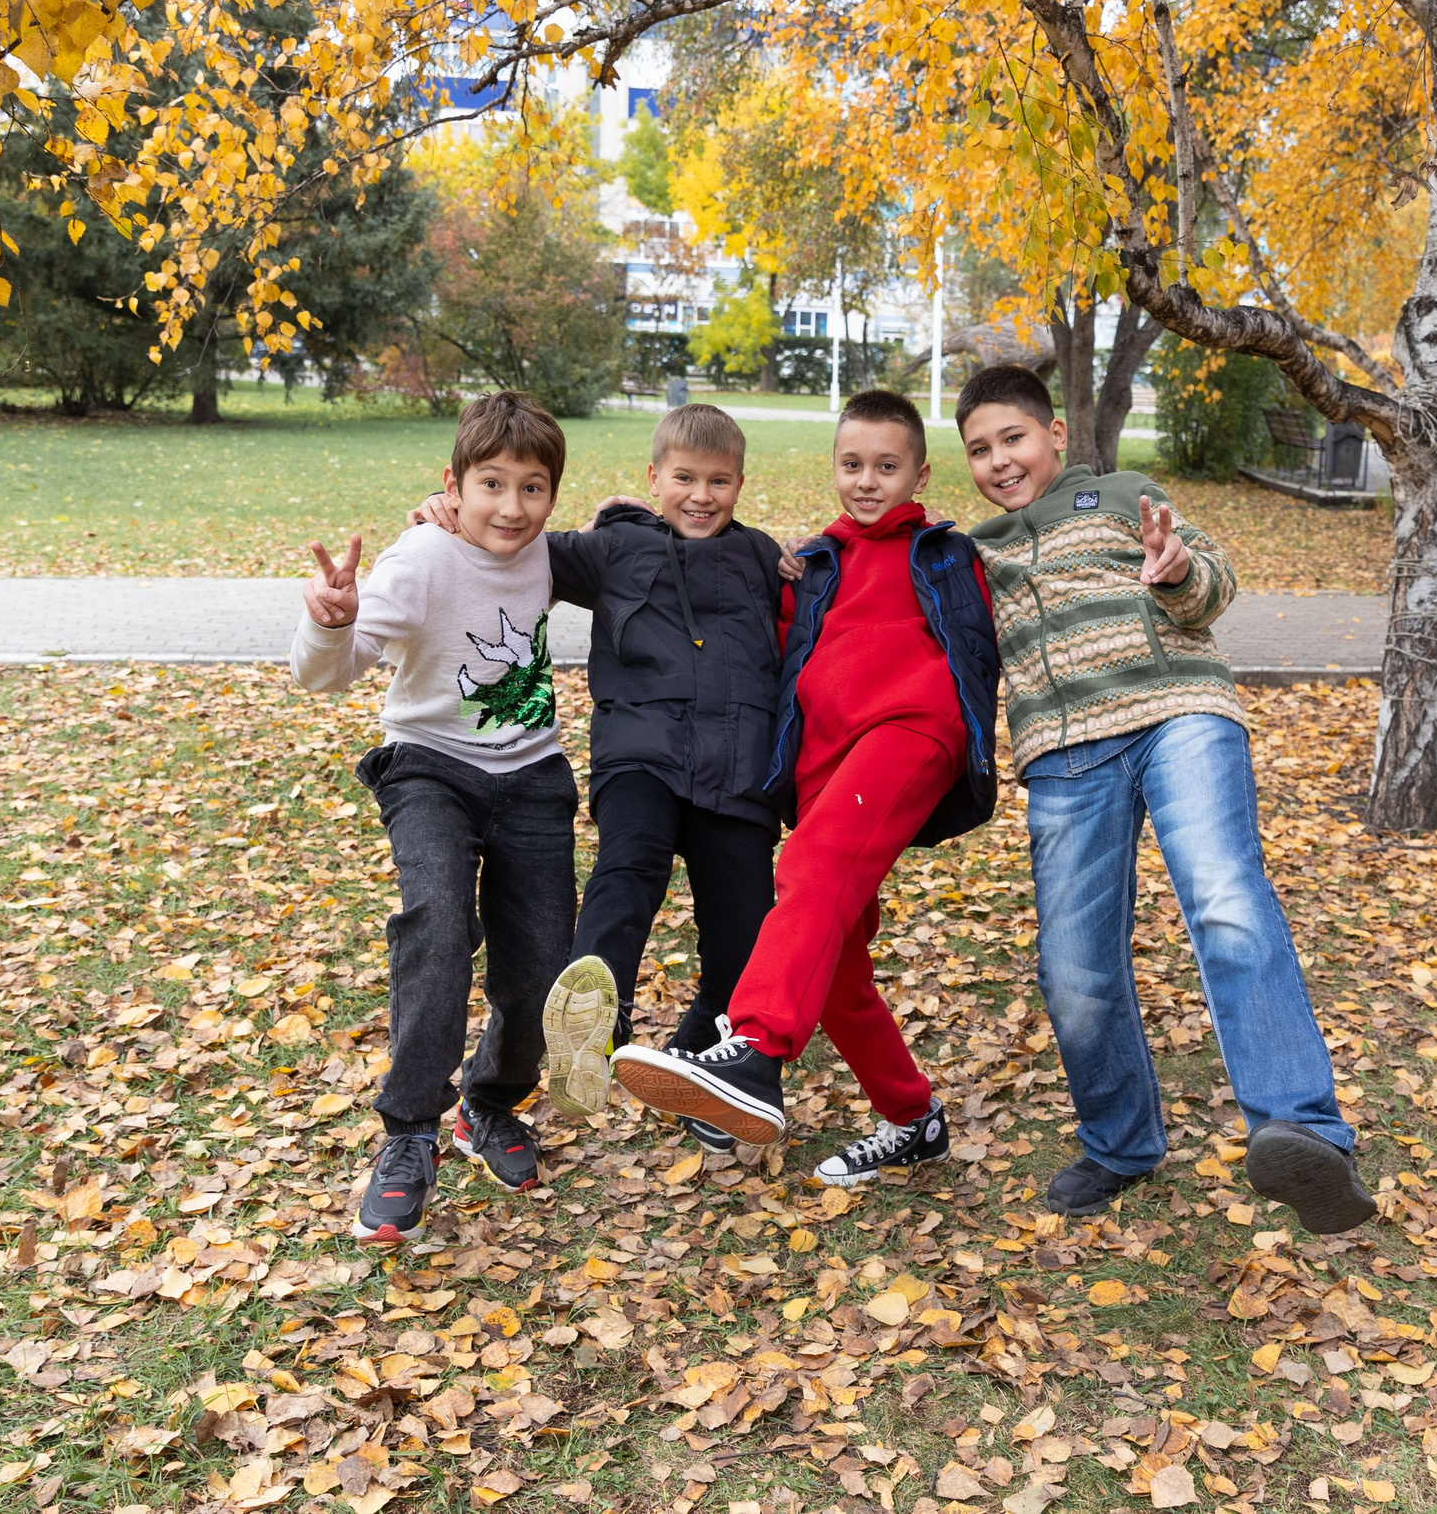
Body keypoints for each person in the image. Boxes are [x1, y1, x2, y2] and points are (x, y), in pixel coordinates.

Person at [955, 364, 1375, 1232]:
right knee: (1073, 967)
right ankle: (1120, 1143)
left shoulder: (1123, 496)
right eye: (980, 449)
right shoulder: (974, 552)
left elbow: (1214, 580)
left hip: (1178, 710)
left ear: (1055, 435)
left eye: (1013, 438)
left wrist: (1177, 567)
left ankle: (1305, 1130)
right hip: (1064, 754)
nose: (1000, 460)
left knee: (1224, 897)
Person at [611, 389, 1001, 1186]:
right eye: (852, 464)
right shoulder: (810, 564)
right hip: (830, 762)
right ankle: (912, 1118)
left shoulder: (947, 554)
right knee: (836, 964)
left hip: (913, 729)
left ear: (920, 474)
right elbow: (711, 579)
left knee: (809, 869)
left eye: (887, 466)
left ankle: (753, 1048)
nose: (867, 480)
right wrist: (625, 521)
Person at [411, 404, 786, 1154]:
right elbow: (510, 541)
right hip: (641, 754)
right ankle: (591, 1019)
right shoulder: (615, 548)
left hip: (738, 771)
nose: (701, 496)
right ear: (654, 478)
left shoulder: (762, 557)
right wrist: (444, 513)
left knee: (744, 935)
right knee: (629, 867)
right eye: (684, 478)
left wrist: (831, 552)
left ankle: (702, 1062)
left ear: (741, 484)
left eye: (718, 482)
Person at [293, 391, 577, 1243]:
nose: (512, 506)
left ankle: (488, 1103)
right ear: (453, 486)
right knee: (440, 921)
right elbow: (324, 674)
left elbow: (620, 540)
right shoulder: (420, 555)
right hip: (428, 768)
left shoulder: (545, 553)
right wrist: (329, 621)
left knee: (542, 962)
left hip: (532, 774)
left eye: (532, 487)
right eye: (492, 483)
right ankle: (411, 1132)